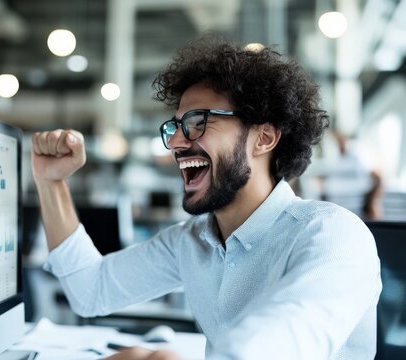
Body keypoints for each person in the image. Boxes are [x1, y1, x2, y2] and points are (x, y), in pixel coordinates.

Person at [31, 35, 382, 359]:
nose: (179, 143)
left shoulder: (334, 235)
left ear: (264, 138)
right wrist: (51, 183)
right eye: (176, 126)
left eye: (198, 121)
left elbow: (282, 342)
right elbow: (91, 290)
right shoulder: (193, 241)